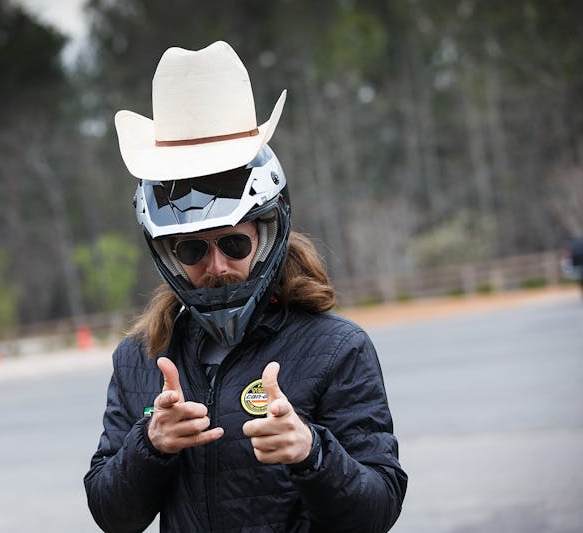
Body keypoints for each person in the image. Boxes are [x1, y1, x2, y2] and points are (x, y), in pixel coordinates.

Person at [84, 41, 407, 532]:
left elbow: (378, 509)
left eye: (234, 244)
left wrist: (311, 453)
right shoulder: (141, 357)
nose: (215, 266)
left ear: (267, 235)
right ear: (169, 254)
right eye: (192, 250)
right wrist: (150, 445)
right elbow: (112, 516)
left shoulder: (337, 348)